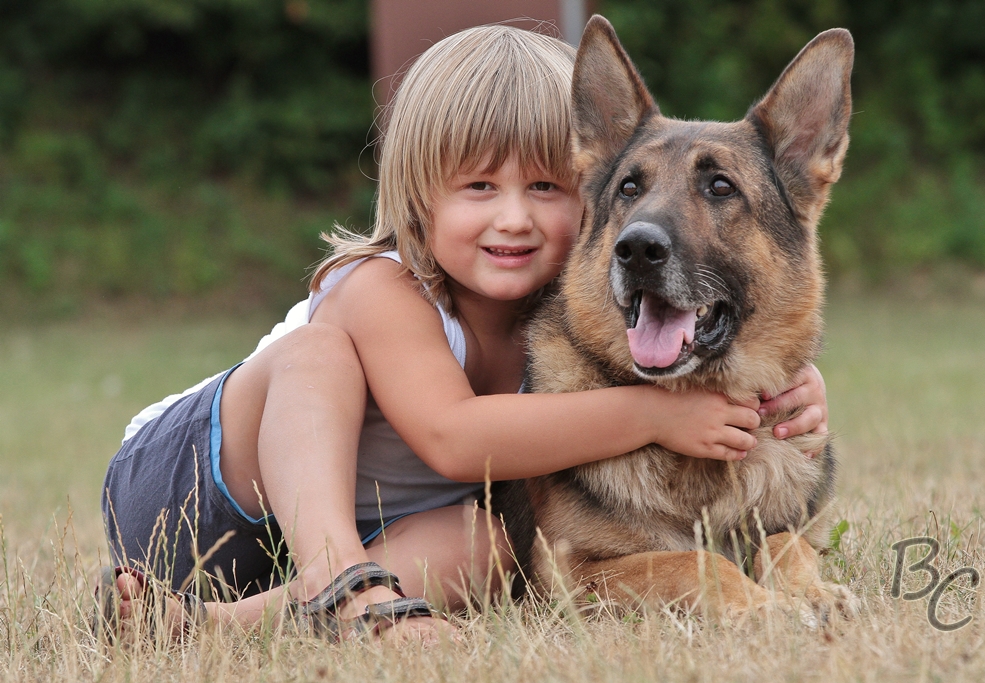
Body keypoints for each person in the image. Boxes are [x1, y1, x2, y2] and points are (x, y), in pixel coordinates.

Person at [99, 24, 829, 643]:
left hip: (370, 531)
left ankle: (219, 624)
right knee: (312, 352)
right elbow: (453, 435)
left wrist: (779, 385)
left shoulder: (565, 300)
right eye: (479, 187)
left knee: (490, 544)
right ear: (419, 197)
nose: (513, 217)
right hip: (196, 490)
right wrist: (660, 413)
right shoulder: (382, 286)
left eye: (544, 188)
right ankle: (344, 585)